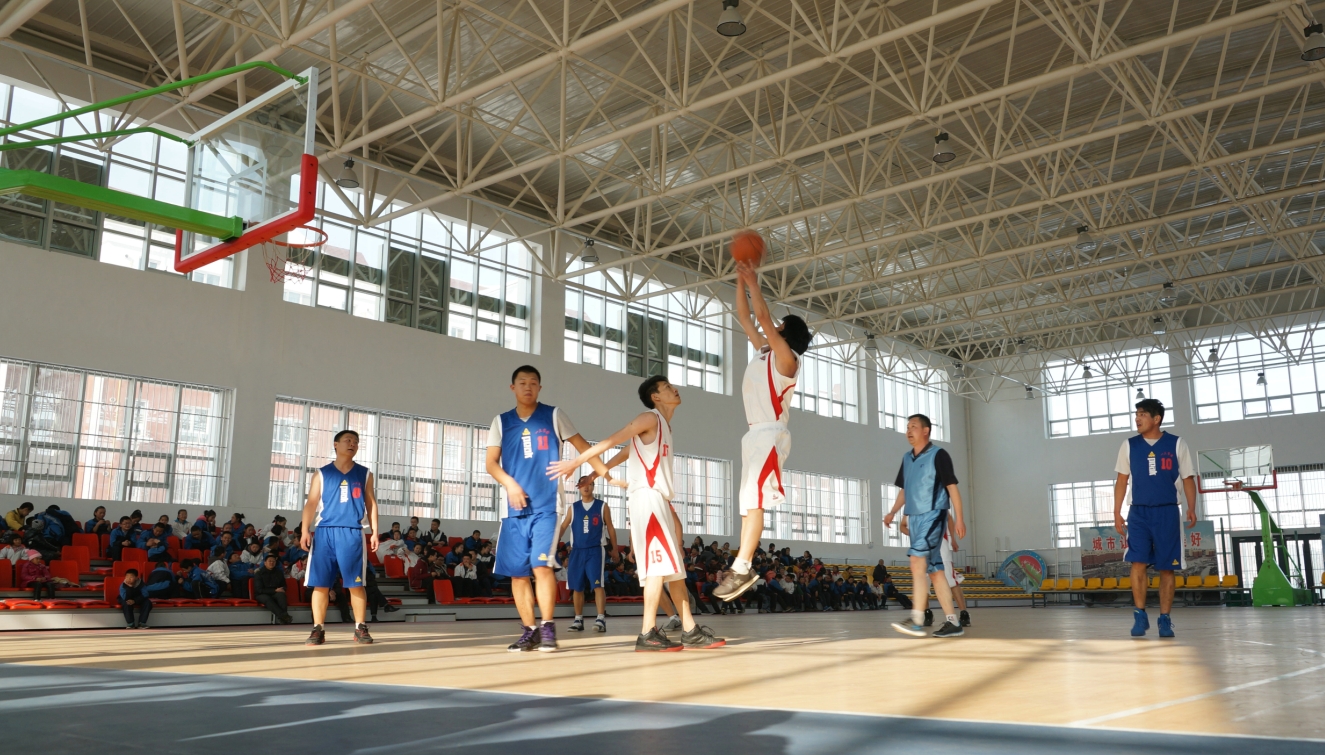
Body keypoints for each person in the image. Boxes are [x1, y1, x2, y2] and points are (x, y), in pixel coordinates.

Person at [549, 375, 723, 652]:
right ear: (656, 396)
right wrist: (578, 461)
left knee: (675, 572)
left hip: (659, 501)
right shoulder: (649, 418)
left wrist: (596, 473)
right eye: (667, 387)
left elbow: (628, 451)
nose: (675, 389)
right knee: (657, 570)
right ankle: (647, 633)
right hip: (648, 500)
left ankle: (690, 630)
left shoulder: (664, 427)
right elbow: (613, 440)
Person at [486, 365, 606, 653]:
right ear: (512, 387)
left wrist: (595, 471)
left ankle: (548, 627)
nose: (528, 387)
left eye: (533, 383)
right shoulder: (501, 422)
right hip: (514, 509)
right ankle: (530, 632)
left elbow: (584, 447)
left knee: (541, 565)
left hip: (547, 506)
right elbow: (491, 464)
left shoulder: (553, 415)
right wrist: (510, 485)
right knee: (517, 574)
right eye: (522, 382)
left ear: (540, 388)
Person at [713, 260, 812, 602]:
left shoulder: (788, 360)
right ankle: (741, 566)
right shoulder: (765, 352)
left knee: (755, 504)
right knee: (747, 507)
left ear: (786, 331)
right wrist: (740, 280)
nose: (773, 326)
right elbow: (746, 317)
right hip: (753, 435)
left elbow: (763, 317)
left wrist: (754, 282)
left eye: (780, 325)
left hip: (770, 434)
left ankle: (742, 567)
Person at [1114, 398, 1198, 639]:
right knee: (1137, 563)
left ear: (1156, 418)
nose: (1137, 418)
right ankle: (1140, 616)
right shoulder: (1129, 445)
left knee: (1167, 567)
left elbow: (1188, 478)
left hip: (1167, 511)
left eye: (1142, 414)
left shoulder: (1177, 443)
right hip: (1138, 513)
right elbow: (1122, 480)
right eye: (1136, 414)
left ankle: (1165, 620)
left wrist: (1191, 507)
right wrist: (1116, 512)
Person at [884, 414, 967, 638]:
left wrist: (959, 518)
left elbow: (952, 487)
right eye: (907, 427)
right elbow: (905, 490)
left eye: (913, 426)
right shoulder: (907, 458)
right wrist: (892, 511)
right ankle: (953, 622)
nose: (908, 430)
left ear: (926, 430)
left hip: (933, 514)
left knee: (916, 561)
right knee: (935, 572)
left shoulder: (939, 455)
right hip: (915, 518)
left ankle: (917, 618)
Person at [301, 429, 380, 645]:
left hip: (352, 532)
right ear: (336, 444)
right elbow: (311, 503)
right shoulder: (321, 473)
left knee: (356, 583)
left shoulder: (365, 474)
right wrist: (304, 529)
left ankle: (360, 627)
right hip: (324, 532)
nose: (353, 444)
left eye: (356, 441)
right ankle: (318, 629)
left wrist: (374, 531)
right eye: (348, 440)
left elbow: (371, 503)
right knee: (320, 584)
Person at [557, 475, 618, 633]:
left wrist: (615, 548)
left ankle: (600, 618)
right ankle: (578, 619)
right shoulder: (573, 508)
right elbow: (563, 526)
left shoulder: (602, 506)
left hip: (595, 550)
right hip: (577, 551)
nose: (586, 487)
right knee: (577, 587)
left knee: (598, 585)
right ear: (578, 487)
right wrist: (555, 540)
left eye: (589, 484)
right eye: (583, 484)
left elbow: (611, 528)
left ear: (593, 487)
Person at [939, 512, 970, 627]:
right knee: (924, 582)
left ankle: (963, 613)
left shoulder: (936, 502)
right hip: (924, 546)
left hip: (941, 545)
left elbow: (949, 517)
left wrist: (952, 539)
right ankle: (926, 614)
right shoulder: (914, 506)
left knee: (951, 581)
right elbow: (903, 526)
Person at [254, 553, 293, 624]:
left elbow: (284, 585)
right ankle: (284, 616)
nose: (272, 563)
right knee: (267, 598)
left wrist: (282, 589)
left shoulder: (279, 573)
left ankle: (283, 619)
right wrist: (274, 590)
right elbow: (259, 590)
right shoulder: (259, 573)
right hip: (262, 594)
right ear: (265, 563)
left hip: (276, 592)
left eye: (273, 561)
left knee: (281, 595)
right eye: (270, 561)